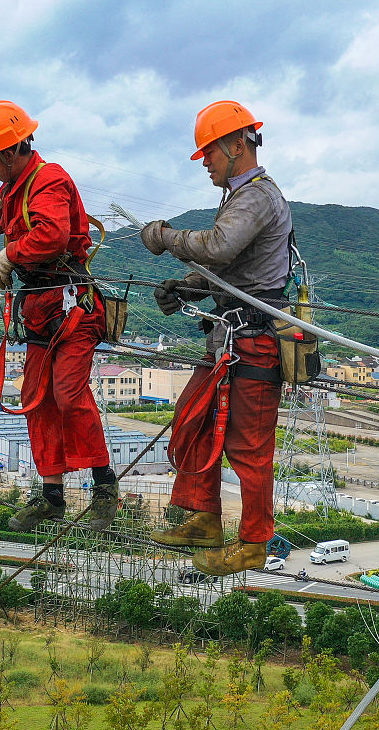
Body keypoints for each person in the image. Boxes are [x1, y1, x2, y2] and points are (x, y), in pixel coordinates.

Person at [0, 100, 118, 532]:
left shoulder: (48, 179)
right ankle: (52, 495)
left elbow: (52, 235)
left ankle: (104, 486)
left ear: (7, 153)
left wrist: (11, 252)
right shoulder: (15, 188)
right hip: (41, 310)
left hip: (72, 307)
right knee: (37, 397)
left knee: (70, 393)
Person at [140, 100, 292, 576]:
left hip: (253, 339)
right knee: (193, 421)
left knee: (249, 448)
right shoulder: (239, 198)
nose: (204, 162)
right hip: (230, 338)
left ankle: (252, 543)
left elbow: (220, 246)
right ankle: (204, 518)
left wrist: (166, 237)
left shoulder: (258, 197)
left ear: (234, 146)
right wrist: (188, 285)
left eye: (208, 153)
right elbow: (226, 267)